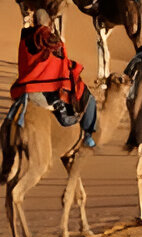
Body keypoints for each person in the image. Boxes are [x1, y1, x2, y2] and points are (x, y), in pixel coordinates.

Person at [9, 9, 97, 150]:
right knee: (87, 97)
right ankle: (88, 135)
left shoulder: (24, 38)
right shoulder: (53, 40)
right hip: (45, 89)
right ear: (49, 23)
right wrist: (73, 66)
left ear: (34, 21)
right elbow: (61, 63)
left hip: (24, 87)